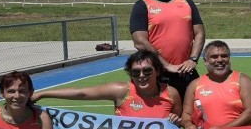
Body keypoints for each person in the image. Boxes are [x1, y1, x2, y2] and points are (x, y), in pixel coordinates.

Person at [32, 50, 182, 124]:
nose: (141, 75)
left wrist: (178, 121)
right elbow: (82, 93)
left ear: (158, 71)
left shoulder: (171, 93)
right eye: (135, 72)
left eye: (147, 70)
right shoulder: (122, 91)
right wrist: (42, 94)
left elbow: (180, 123)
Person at [130, 0, 206, 98]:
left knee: (193, 115)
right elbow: (140, 41)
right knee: (162, 116)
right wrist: (166, 65)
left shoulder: (186, 2)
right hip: (158, 74)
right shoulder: (142, 5)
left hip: (186, 72)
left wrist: (193, 59)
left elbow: (199, 32)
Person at [181, 40, 251, 129]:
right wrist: (188, 125)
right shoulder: (195, 85)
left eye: (224, 56)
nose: (220, 60)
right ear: (205, 61)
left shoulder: (243, 81)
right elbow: (186, 114)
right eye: (214, 57)